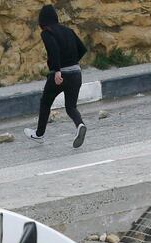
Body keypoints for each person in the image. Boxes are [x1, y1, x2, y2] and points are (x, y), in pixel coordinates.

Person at [24, 4, 88, 148]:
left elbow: (53, 50)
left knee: (46, 102)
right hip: (76, 73)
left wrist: (58, 70)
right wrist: (72, 62)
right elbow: (82, 49)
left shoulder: (47, 32)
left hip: (59, 75)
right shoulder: (69, 31)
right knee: (71, 107)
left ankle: (39, 134)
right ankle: (80, 125)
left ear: (43, 20)